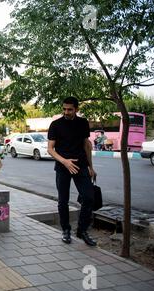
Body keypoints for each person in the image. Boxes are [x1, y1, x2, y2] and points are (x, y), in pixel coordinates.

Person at [47, 97, 98, 247]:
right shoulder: (55, 125)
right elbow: (50, 149)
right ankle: (66, 230)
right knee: (63, 201)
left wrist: (91, 167)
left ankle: (81, 230)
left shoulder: (83, 123)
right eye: (64, 109)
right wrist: (65, 161)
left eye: (69, 109)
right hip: (63, 167)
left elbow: (86, 145)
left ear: (76, 109)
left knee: (89, 198)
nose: (66, 112)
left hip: (81, 166)